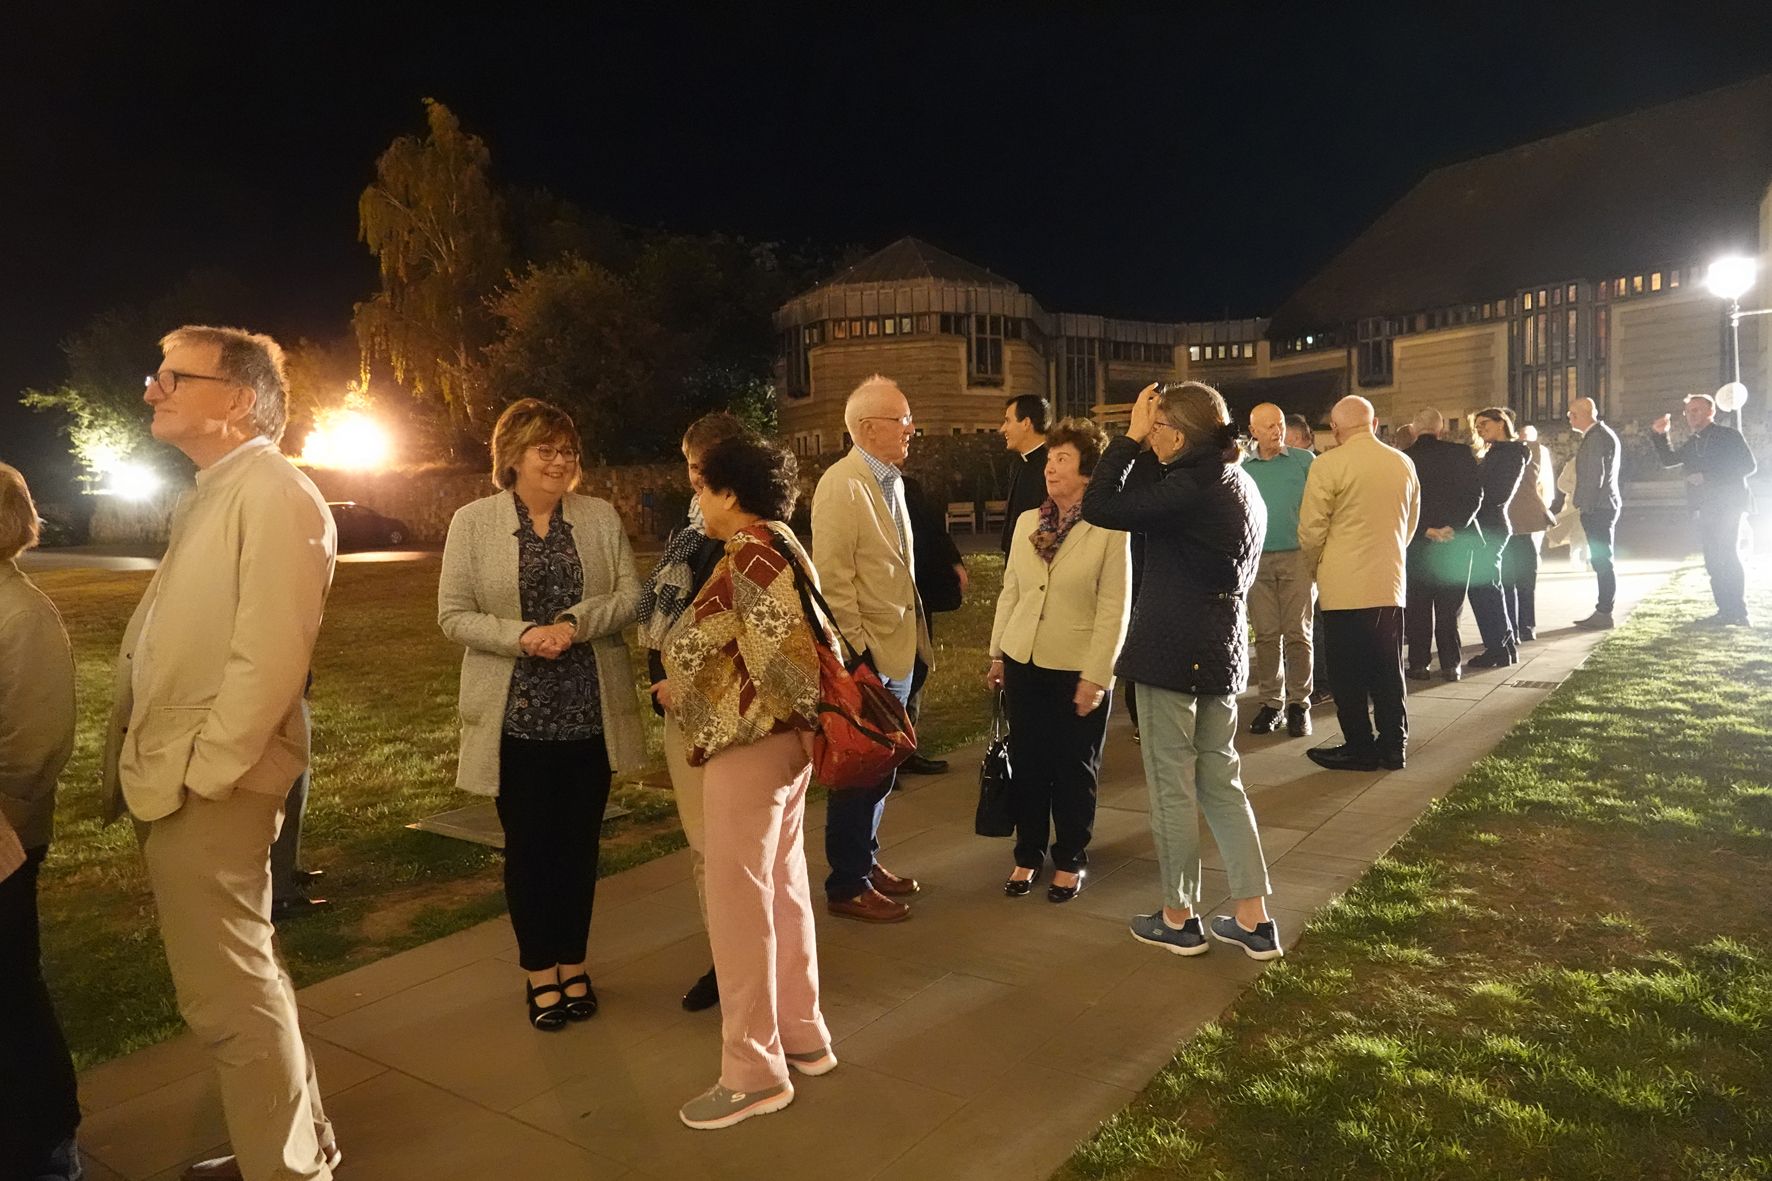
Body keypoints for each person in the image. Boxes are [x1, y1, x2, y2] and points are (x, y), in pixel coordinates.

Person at [101, 326, 340, 1181]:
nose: (151, 387)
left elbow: (270, 656)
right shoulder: (220, 488)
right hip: (184, 776)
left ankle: (285, 1168)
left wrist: (207, 772)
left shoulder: (273, 492)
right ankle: (292, 1145)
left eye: (173, 375)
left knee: (227, 994)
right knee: (246, 978)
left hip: (211, 784)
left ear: (237, 400)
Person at [439, 398, 644, 1032]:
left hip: (588, 714)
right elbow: (452, 615)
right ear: (512, 458)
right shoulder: (473, 524)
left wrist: (575, 624)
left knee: (579, 848)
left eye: (567, 451)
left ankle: (574, 962)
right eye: (544, 451)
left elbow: (632, 598)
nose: (559, 462)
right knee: (530, 848)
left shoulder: (600, 517)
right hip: (517, 722)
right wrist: (524, 635)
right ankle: (539, 971)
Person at [664, 433, 835, 1130]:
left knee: (739, 907)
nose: (696, 498)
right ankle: (803, 1035)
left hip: (750, 744)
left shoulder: (752, 554)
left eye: (702, 486)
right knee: (784, 889)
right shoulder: (784, 541)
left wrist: (700, 687)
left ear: (730, 491)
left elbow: (788, 671)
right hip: (779, 747)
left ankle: (753, 1071)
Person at [1083, 382, 1283, 961]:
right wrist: (1146, 445)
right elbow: (1146, 496)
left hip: (1173, 652)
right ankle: (1253, 918)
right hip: (1218, 650)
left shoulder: (1194, 485)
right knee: (1221, 782)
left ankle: (1178, 917)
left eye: (1158, 427)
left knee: (1171, 789)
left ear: (1175, 432)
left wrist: (1125, 440)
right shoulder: (1234, 479)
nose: (1152, 435)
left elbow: (1100, 506)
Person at [987, 418, 1130, 903]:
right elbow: (1013, 590)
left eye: (1062, 459)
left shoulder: (1110, 527)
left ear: (1088, 471)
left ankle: (1070, 858)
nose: (1051, 467)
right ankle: (1027, 854)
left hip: (1077, 666)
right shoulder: (1031, 521)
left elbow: (1115, 608)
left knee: (1074, 767)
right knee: (1028, 763)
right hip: (1024, 659)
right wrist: (998, 653)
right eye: (1049, 459)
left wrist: (1098, 676)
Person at [810, 375, 929, 923]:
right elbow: (834, 581)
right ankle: (847, 883)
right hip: (872, 656)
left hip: (900, 648)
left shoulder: (892, 482)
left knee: (881, 767)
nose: (911, 428)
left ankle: (865, 859)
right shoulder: (842, 484)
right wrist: (859, 660)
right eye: (901, 418)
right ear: (866, 428)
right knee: (859, 769)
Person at [640, 412, 747, 1014]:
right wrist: (661, 681)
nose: (696, 483)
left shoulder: (758, 541)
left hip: (735, 722)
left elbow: (767, 651)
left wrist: (693, 686)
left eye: (705, 472)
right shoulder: (686, 539)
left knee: (741, 852)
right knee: (706, 850)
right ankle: (724, 960)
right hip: (682, 718)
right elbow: (659, 627)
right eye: (691, 468)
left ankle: (748, 963)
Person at [0, 463, 82, 1181]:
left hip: (5, 838)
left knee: (11, 987)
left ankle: (46, 1139)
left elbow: (36, 743)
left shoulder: (21, 614)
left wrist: (9, 827)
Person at [1298, 395, 1421, 773]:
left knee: (1346, 675)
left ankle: (1360, 746)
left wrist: (1315, 568)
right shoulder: (1402, 461)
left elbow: (1312, 530)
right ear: (1375, 422)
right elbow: (1410, 522)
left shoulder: (1328, 464)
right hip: (1388, 582)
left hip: (1342, 585)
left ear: (1335, 429)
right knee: (1388, 670)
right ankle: (1394, 745)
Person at [1651, 394, 1759, 626]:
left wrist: (1708, 477)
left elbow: (1748, 466)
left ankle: (1738, 612)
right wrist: (1661, 435)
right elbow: (1669, 460)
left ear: (1711, 412)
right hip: (1705, 507)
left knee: (1727, 554)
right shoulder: (1694, 442)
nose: (1691, 415)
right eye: (1688, 411)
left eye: (1697, 410)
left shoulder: (1728, 435)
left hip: (1730, 504)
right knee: (1712, 559)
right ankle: (1724, 611)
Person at [1242, 402, 1316, 737]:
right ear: (1252, 430)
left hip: (1297, 558)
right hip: (1257, 561)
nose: (1277, 431)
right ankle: (1271, 703)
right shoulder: (1243, 467)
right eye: (1269, 426)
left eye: (1281, 423)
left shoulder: (1304, 462)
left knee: (1298, 634)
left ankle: (1299, 704)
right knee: (1267, 635)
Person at [1404, 408, 1481, 681]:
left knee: (1418, 607)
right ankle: (1451, 664)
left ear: (1413, 431)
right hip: (1455, 541)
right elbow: (1475, 495)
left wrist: (1425, 529)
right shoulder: (1461, 455)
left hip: (1417, 543)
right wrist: (1455, 526)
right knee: (1450, 607)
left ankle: (1419, 664)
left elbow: (1402, 502)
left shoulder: (1405, 459)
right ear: (1442, 430)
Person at [899, 472, 967, 775]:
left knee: (916, 669)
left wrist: (953, 562)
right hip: (891, 597)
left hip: (918, 593)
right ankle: (891, 754)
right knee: (898, 675)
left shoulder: (908, 487)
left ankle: (904, 750)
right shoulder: (863, 487)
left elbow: (931, 530)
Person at [1465, 408, 1528, 669]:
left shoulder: (1510, 453)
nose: (1479, 429)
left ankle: (1498, 648)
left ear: (1502, 423)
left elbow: (1497, 493)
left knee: (1485, 589)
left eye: (1484, 424)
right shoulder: (1495, 452)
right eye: (1476, 426)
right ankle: (1503, 646)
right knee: (1486, 588)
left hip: (1491, 526)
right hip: (1487, 525)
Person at [1567, 396, 1622, 629]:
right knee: (1602, 560)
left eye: (1571, 414)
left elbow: (1593, 476)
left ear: (1580, 415)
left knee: (1602, 561)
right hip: (1603, 505)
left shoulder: (1596, 437)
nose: (1569, 417)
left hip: (1598, 508)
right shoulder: (1601, 434)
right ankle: (1603, 610)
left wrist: (1584, 507)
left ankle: (1604, 611)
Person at [1502, 424, 1557, 641]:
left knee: (1523, 576)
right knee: (1519, 576)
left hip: (1526, 520)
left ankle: (1524, 625)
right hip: (1519, 520)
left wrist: (1538, 510)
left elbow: (1547, 487)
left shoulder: (1536, 451)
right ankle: (1521, 625)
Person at [998, 394, 1051, 554]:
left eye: (1008, 421)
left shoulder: (1052, 464)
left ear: (1026, 423)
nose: (1002, 429)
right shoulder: (1017, 463)